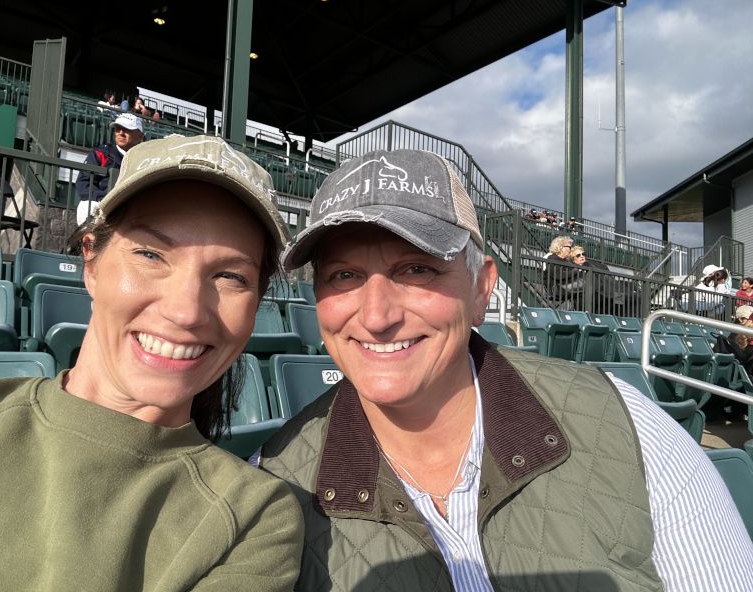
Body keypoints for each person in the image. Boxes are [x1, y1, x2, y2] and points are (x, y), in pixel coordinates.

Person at [260, 148, 753, 591]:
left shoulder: (626, 427)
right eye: (343, 276)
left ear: (482, 289)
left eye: (417, 269)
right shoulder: (274, 481)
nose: (376, 316)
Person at [0, 135, 304, 590]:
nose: (186, 311)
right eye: (151, 255)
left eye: (230, 276)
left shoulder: (252, 516)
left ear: (256, 307)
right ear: (92, 263)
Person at [74, 113, 144, 225]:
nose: (121, 133)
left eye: (127, 130)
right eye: (118, 129)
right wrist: (107, 201)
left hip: (130, 210)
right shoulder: (100, 153)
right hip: (101, 206)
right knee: (86, 206)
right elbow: (83, 183)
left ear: (140, 136)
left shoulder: (145, 160)